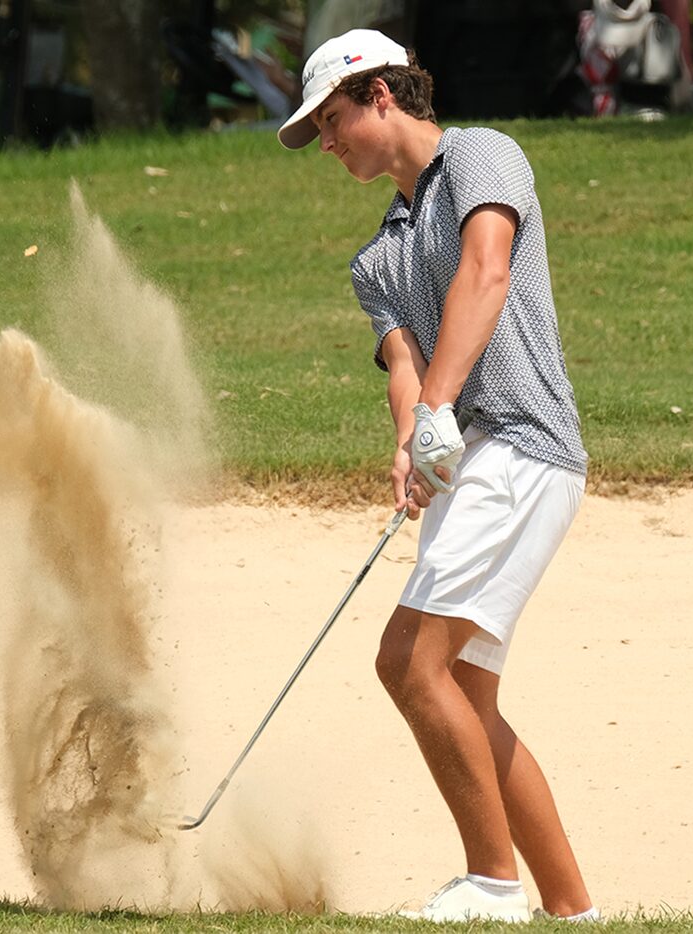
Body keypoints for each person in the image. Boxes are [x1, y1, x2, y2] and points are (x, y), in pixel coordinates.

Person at [277, 29, 599, 924]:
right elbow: (406, 365)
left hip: (525, 445)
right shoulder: (374, 257)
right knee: (463, 693)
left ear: (383, 95)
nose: (329, 142)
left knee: (409, 663)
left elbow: (486, 276)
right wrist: (410, 446)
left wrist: (437, 417)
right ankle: (572, 910)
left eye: (333, 120)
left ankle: (493, 885)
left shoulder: (483, 157)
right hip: (474, 462)